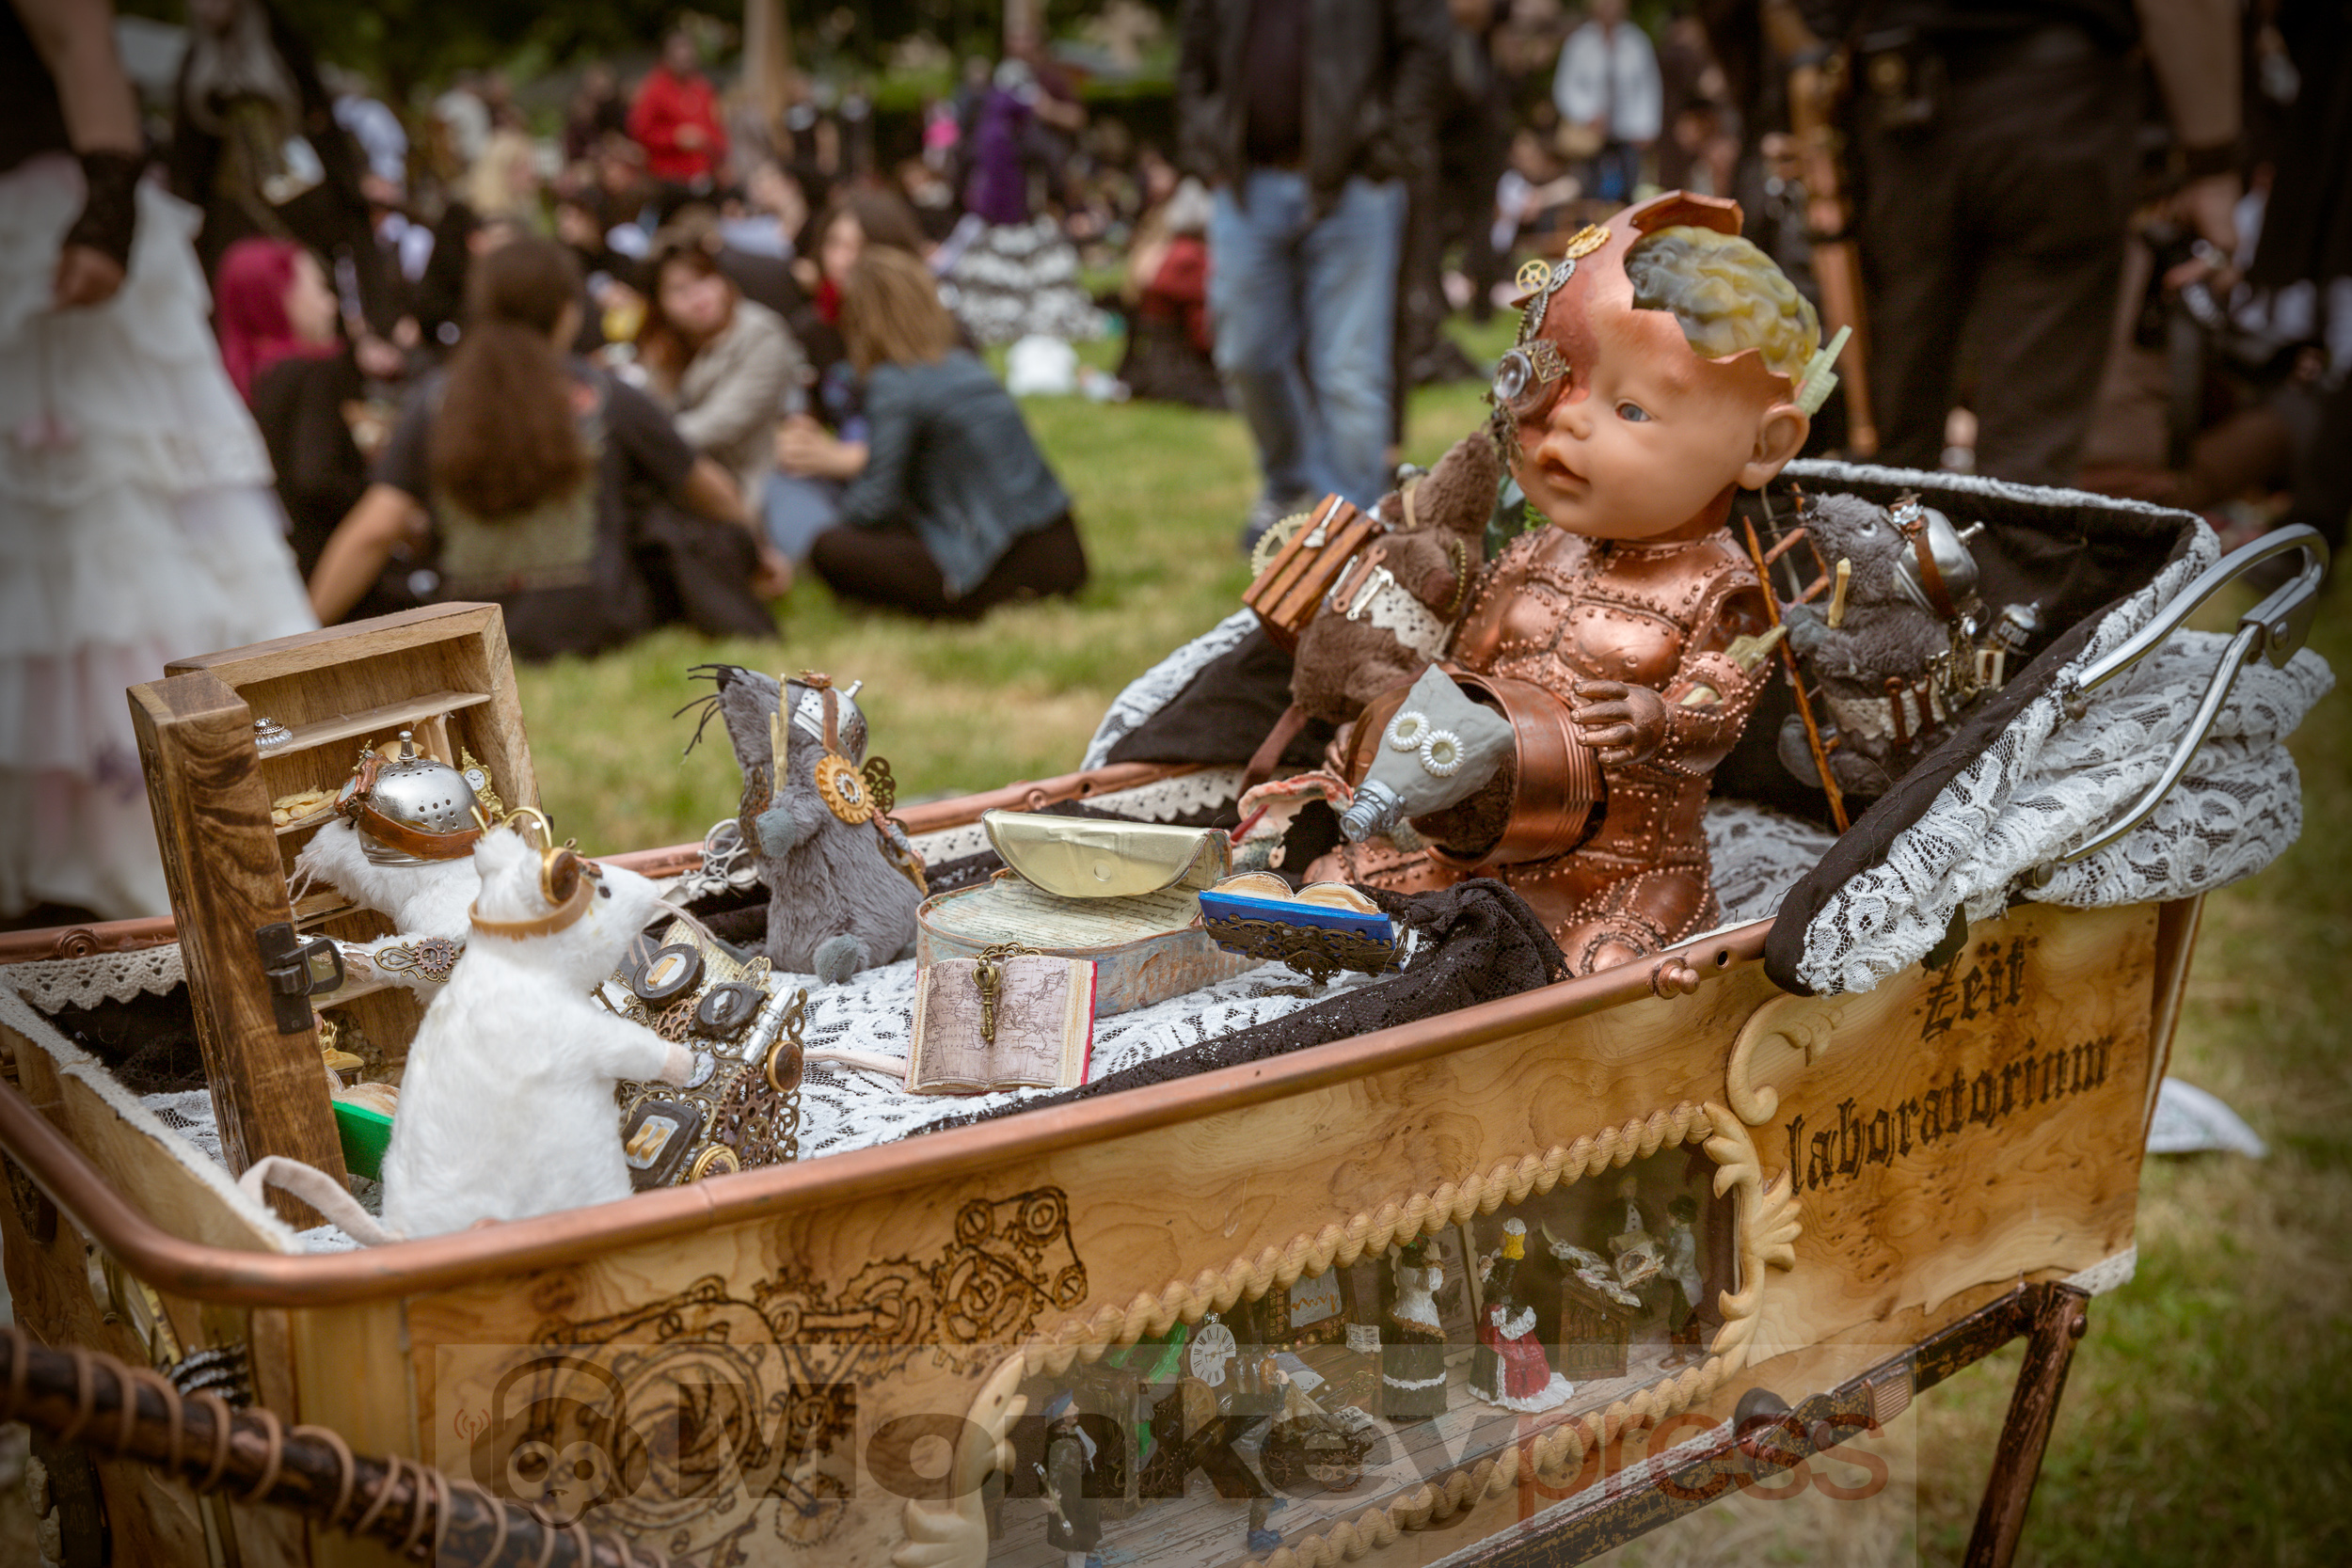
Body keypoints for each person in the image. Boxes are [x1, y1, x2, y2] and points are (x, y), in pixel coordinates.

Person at [2, 0, 316, 923]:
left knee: (110, 531)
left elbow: (78, 34)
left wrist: (104, 209)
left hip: (41, 233)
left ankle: (170, 850)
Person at [1817, 0, 2243, 484]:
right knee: (2025, 461)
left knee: (1889, 448)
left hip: (1896, 106)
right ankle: (2017, 548)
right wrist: (2213, 164)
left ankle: (1882, 547)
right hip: (2055, 111)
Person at [310, 238, 773, 655]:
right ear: (567, 311)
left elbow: (373, 531)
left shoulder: (435, 403)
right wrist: (759, 553)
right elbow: (707, 488)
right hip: (599, 622)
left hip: (477, 634)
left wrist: (302, 635)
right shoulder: (606, 396)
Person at [1178, 0, 1450, 542]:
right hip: (1246, 183)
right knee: (1244, 351)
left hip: (1356, 186)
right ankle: (1290, 483)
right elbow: (1195, 59)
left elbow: (1427, 47)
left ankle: (1348, 522)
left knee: (1350, 368)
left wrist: (1390, 148)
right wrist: (1206, 144)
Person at [805, 247, 1087, 620]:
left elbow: (876, 504)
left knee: (830, 548)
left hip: (990, 567)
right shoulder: (964, 364)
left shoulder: (894, 381)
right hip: (1064, 553)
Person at [214, 238, 389, 600]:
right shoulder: (310, 374)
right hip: (330, 565)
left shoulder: (239, 384)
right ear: (278, 297)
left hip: (274, 563)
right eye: (318, 288)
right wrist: (376, 500)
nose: (330, 304)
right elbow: (317, 477)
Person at [637, 235, 803, 591]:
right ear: (660, 303)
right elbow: (654, 412)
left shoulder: (760, 334)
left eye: (703, 280)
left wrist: (644, 438)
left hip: (758, 483)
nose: (698, 296)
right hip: (695, 480)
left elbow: (721, 424)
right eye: (679, 290)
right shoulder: (671, 347)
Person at [1551, 0, 1661, 206]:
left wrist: (1647, 127)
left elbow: (1648, 88)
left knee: (1631, 191)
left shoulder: (1637, 42)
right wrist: (1587, 114)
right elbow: (1565, 88)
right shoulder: (1579, 43)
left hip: (1629, 133)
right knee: (1588, 192)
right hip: (1589, 135)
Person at [629, 30, 728, 192]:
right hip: (668, 177)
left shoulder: (702, 88)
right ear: (667, 57)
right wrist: (675, 138)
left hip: (704, 175)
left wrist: (714, 147)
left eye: (688, 56)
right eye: (679, 56)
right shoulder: (654, 89)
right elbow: (640, 131)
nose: (684, 61)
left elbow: (717, 128)